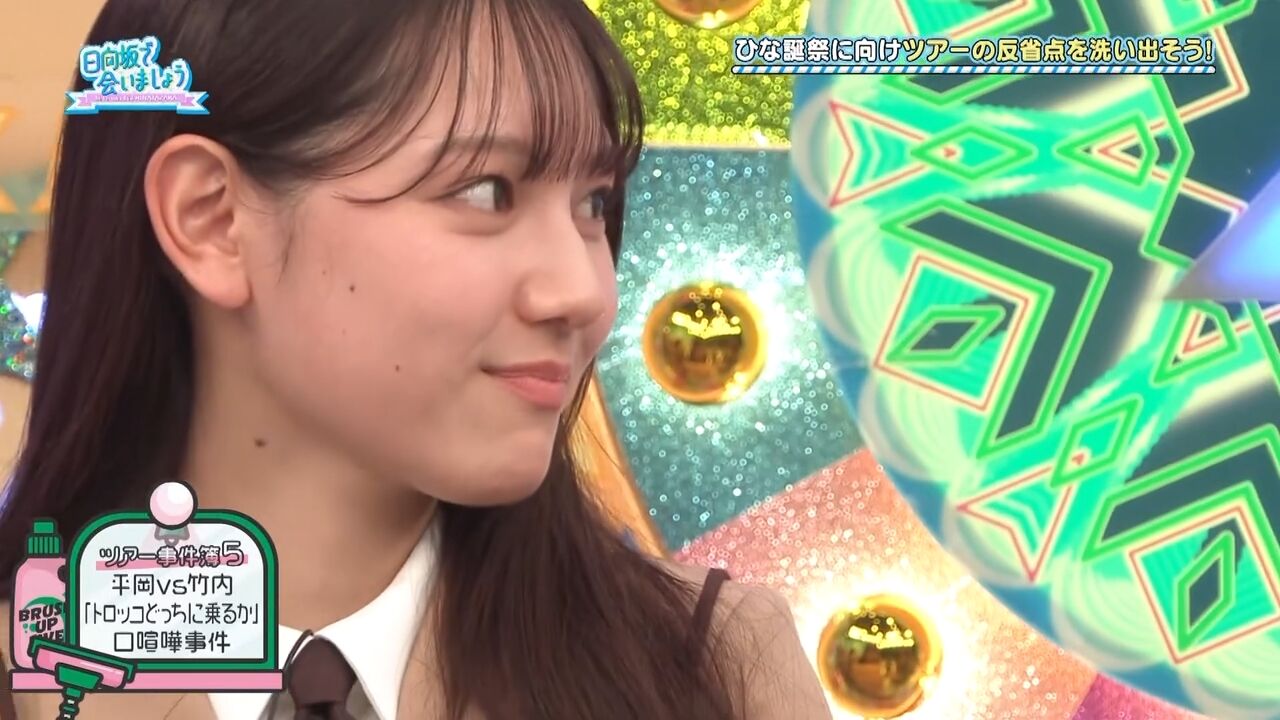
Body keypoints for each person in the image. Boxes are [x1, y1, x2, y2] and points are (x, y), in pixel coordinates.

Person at [0, 0, 833, 718]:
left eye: (593, 204)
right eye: (486, 191)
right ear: (211, 218)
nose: (582, 291)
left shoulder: (713, 668)